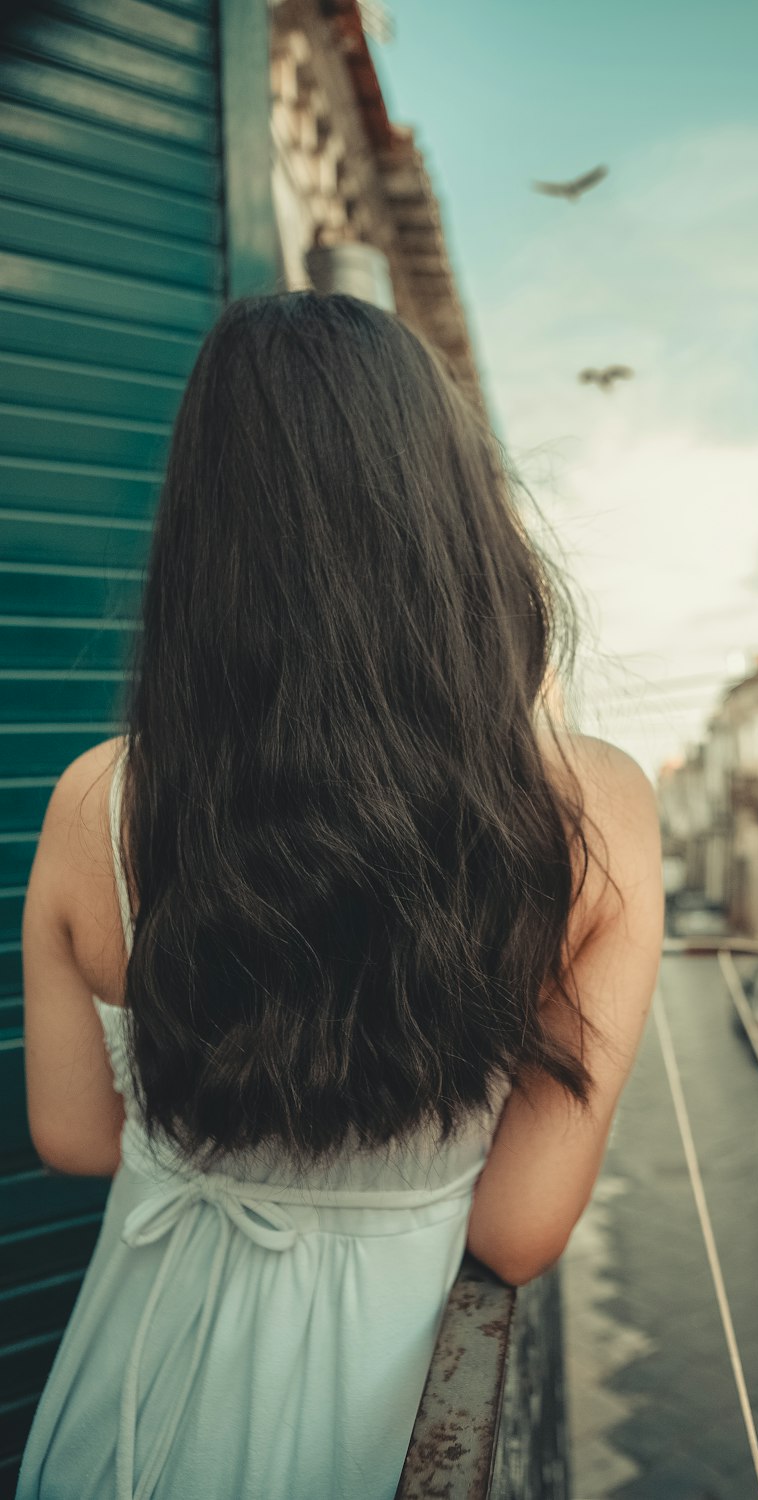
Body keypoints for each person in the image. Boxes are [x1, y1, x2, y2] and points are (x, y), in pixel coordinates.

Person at [16, 293, 664, 1499]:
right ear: (455, 524)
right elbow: (515, 1235)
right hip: (373, 1410)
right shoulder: (594, 812)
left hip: (133, 1390)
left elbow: (74, 1135)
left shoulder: (95, 800)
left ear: (204, 534)